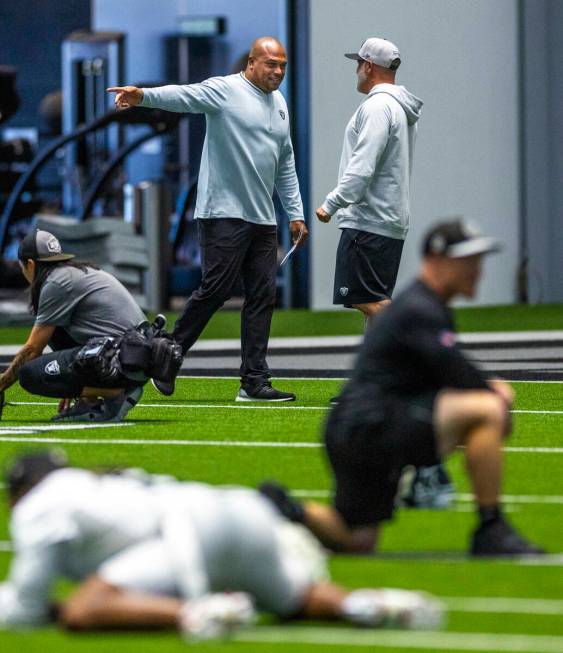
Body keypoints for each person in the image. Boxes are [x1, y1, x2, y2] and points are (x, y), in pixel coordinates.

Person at [262, 219, 545, 558]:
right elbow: (456, 372)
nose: (476, 271)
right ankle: (491, 528)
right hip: (370, 429)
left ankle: (283, 509)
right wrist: (493, 389)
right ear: (435, 261)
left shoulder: (424, 306)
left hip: (355, 431)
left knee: (357, 540)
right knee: (487, 410)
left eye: (478, 262)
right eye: (466, 262)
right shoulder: (419, 308)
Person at [0, 451, 445, 636]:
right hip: (238, 509)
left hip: (189, 535)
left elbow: (28, 604)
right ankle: (362, 604)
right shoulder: (99, 483)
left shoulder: (38, 504)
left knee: (83, 608)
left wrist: (51, 608)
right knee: (297, 599)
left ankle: (200, 611)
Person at [107, 36, 308, 403]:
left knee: (263, 295)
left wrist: (294, 213)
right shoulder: (224, 90)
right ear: (251, 63)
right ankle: (166, 353)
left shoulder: (279, 103)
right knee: (216, 288)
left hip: (263, 219)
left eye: (282, 65)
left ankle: (254, 382)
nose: (278, 72)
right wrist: (142, 96)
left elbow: (286, 162)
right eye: (271, 64)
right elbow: (183, 96)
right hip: (222, 213)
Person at [315, 37, 422, 328]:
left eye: (359, 63)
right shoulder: (398, 107)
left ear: (369, 66)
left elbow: (362, 167)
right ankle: (381, 374)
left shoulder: (377, 107)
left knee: (364, 298)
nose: (356, 70)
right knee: (373, 303)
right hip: (388, 221)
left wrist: (331, 203)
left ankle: (427, 345)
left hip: (368, 222)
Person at [0, 229, 147, 422]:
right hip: (135, 356)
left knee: (29, 374)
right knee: (55, 331)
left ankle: (116, 392)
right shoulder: (73, 273)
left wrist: (2, 383)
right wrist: (71, 381)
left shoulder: (55, 283)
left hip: (124, 361)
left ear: (30, 264)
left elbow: (31, 351)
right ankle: (89, 401)